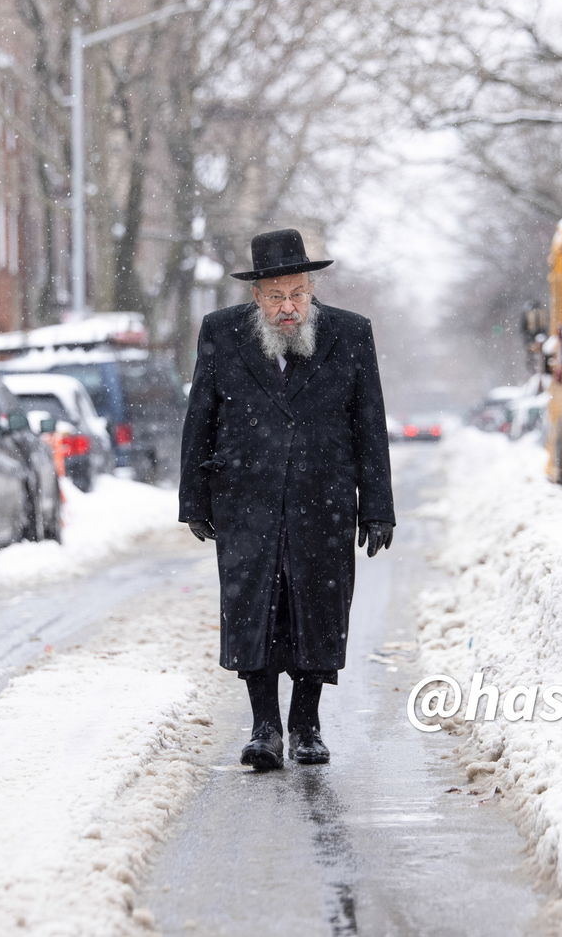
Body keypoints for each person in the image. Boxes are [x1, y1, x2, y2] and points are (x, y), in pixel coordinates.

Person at [178, 227, 395, 771]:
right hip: (245, 500)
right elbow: (199, 420)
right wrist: (193, 499)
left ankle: (306, 724)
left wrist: (377, 506)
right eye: (275, 296)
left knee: (316, 610)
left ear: (310, 288)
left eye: (297, 293)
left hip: (323, 502)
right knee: (254, 611)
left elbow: (370, 425)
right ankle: (264, 727)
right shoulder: (221, 334)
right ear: (256, 296)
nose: (288, 306)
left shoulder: (349, 334)